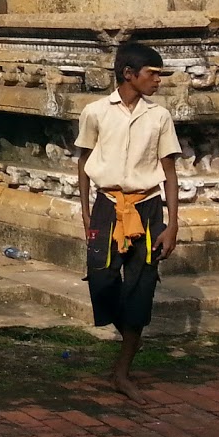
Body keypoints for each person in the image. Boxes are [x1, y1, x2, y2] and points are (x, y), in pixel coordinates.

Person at [76, 42, 181, 403]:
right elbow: (84, 158)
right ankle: (128, 330)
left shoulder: (159, 117)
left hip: (149, 208)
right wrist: (86, 209)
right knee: (101, 278)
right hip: (107, 205)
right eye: (152, 74)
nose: (157, 81)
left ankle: (122, 370)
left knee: (142, 285)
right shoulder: (95, 112)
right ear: (128, 74)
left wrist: (172, 224)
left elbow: (169, 171)